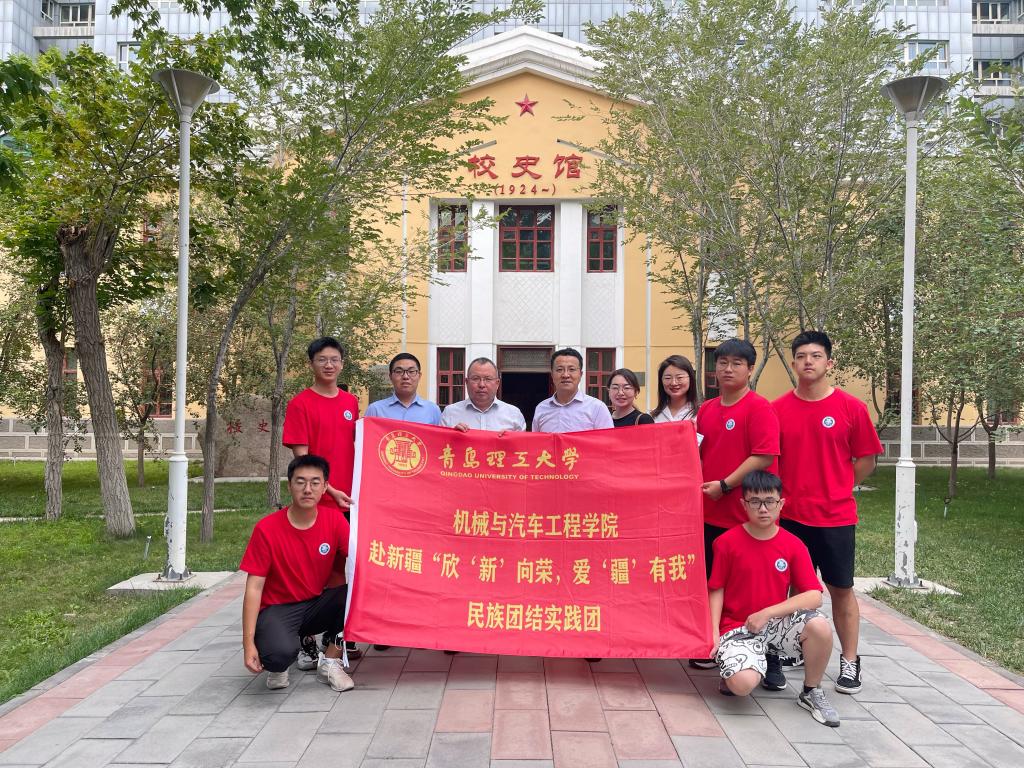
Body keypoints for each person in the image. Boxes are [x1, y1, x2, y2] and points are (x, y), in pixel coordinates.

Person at [772, 330, 882, 695]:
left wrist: (840, 485)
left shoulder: (851, 408)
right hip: (790, 516)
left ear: (829, 363)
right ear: (793, 363)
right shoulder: (778, 409)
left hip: (835, 518)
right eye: (802, 356)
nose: (808, 361)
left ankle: (849, 660)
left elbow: (866, 459)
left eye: (816, 356)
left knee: (841, 589)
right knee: (792, 588)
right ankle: (796, 648)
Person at [708, 470, 839, 728]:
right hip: (738, 628)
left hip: (776, 625)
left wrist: (767, 613)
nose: (763, 508)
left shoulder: (794, 545)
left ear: (781, 504)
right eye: (755, 501)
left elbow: (814, 596)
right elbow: (716, 589)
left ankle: (811, 691)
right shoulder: (726, 543)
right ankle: (741, 665)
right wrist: (712, 632)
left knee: (820, 626)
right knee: (742, 686)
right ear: (743, 504)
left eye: (769, 501)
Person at [691, 338, 779, 670]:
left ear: (750, 369)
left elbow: (764, 455)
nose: (728, 369)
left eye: (736, 364)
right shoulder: (707, 409)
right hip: (709, 513)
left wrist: (726, 485)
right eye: (722, 362)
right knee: (712, 581)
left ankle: (769, 656)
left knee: (752, 587)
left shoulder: (759, 408)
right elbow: (697, 453)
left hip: (746, 515)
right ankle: (713, 644)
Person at [240, 454, 355, 693]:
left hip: (315, 604)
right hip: (278, 609)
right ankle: (279, 662)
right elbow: (254, 588)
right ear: (289, 486)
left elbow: (360, 559)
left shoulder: (334, 521)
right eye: (300, 482)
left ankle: (330, 662)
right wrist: (248, 643)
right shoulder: (266, 529)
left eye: (315, 482)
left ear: (325, 487)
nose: (307, 489)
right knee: (277, 656)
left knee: (356, 594)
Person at [283, 336, 362, 664]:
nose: (329, 365)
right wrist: (328, 490)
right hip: (317, 502)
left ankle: (335, 637)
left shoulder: (351, 402)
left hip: (349, 503)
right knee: (312, 571)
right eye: (322, 360)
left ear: (342, 364)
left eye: (334, 360)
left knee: (345, 569)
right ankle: (305, 639)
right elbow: (303, 460)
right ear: (311, 364)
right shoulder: (300, 404)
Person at [533, 348, 614, 433]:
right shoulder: (541, 408)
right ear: (552, 375)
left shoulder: (597, 408)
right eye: (559, 370)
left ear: (580, 374)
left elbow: (607, 440)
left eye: (571, 369)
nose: (565, 375)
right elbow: (537, 440)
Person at [440, 357, 526, 432]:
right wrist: (452, 437)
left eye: (488, 379)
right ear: (466, 382)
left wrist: (511, 440)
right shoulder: (450, 413)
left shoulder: (514, 414)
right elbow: (440, 444)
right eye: (475, 378)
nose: (481, 385)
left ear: (497, 383)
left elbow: (523, 445)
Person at [365, 353, 442, 425]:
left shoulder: (432, 410)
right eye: (399, 371)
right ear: (390, 376)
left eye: (411, 371)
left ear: (419, 376)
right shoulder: (375, 410)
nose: (405, 376)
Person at [649, 355, 698, 423]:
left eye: (680, 377)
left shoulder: (701, 413)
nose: (673, 383)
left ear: (691, 379)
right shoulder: (651, 416)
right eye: (668, 378)